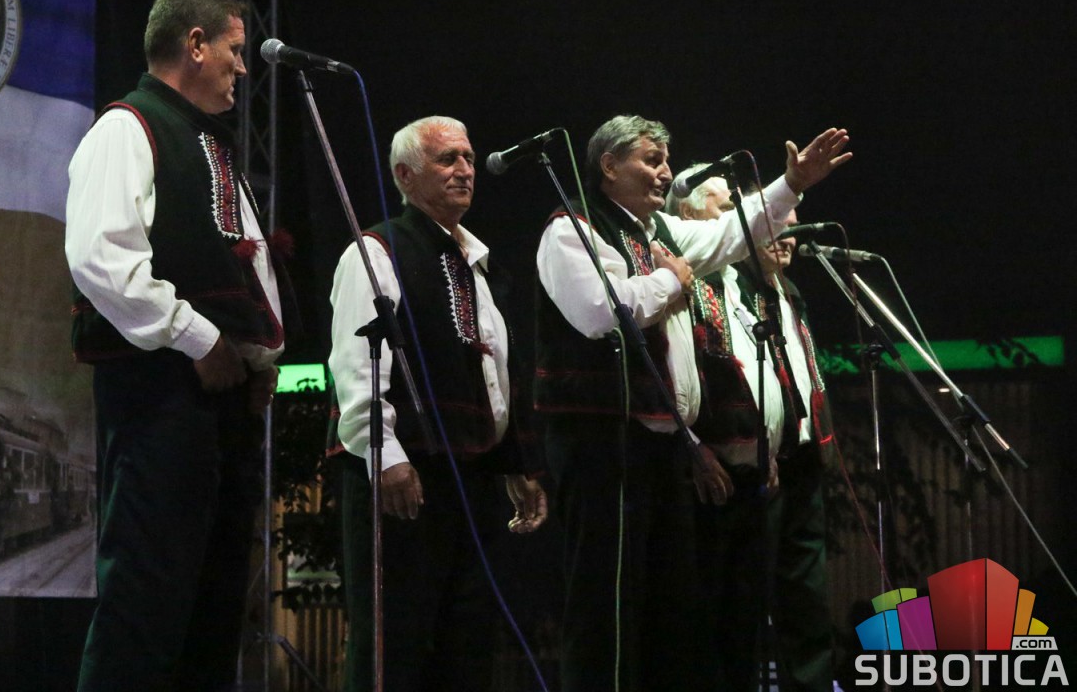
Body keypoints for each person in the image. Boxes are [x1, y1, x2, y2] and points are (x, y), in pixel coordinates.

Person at [534, 114, 850, 692]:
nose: (665, 172)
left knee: (665, 607)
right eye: (651, 160)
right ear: (609, 165)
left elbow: (735, 231)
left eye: (666, 160)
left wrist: (792, 185)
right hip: (601, 441)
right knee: (606, 600)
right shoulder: (572, 227)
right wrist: (672, 281)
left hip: (659, 446)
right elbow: (600, 312)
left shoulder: (659, 233)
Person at [65, 0, 289, 692]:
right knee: (147, 599)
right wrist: (200, 339)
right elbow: (102, 259)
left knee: (214, 609)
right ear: (195, 44)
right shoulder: (127, 129)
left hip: (219, 399)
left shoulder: (210, 144)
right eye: (234, 49)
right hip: (159, 394)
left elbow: (244, 266)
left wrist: (261, 358)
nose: (243, 67)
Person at [327, 115, 547, 692]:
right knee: (393, 640)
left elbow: (498, 374)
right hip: (406, 473)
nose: (465, 170)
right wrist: (387, 457)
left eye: (468, 158)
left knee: (467, 641)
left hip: (470, 476)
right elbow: (356, 364)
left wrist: (516, 463)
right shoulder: (377, 250)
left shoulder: (478, 263)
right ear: (405, 176)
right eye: (447, 159)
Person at [677, 174, 836, 691]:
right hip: (739, 465)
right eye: (772, 223)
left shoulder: (781, 290)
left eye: (788, 225)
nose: (782, 235)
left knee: (806, 599)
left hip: (798, 459)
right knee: (737, 608)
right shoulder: (710, 282)